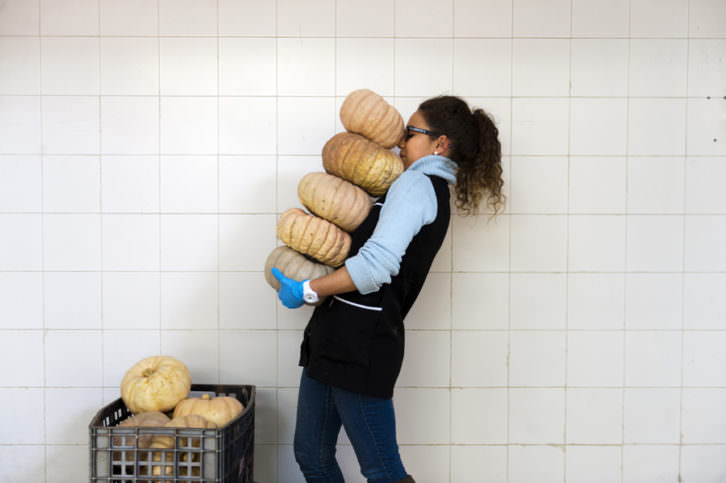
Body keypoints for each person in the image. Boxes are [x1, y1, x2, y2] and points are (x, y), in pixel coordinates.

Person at [271, 95, 504, 483]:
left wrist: (309, 289)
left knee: (382, 470)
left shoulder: (418, 185)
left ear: (439, 144)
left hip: (362, 345)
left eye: (410, 133)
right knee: (311, 454)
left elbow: (375, 267)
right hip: (335, 338)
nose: (399, 141)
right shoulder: (411, 184)